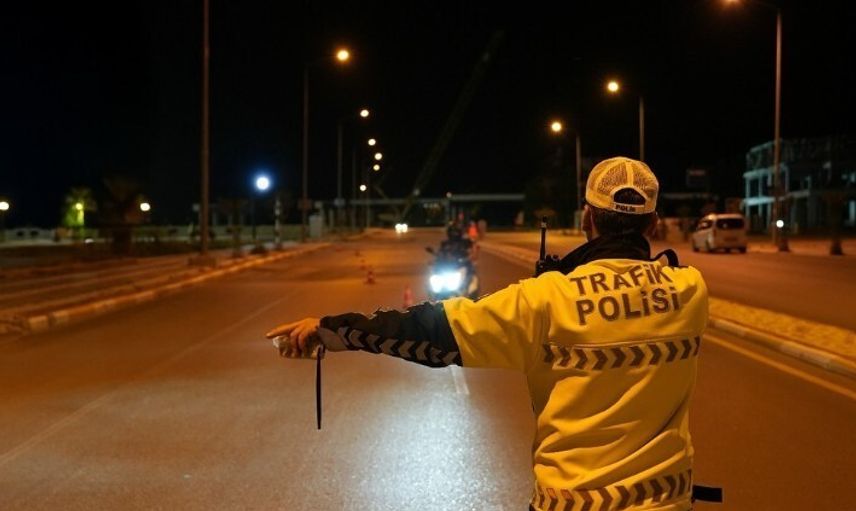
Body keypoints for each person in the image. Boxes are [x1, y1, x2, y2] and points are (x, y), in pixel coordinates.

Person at [267, 156, 709, 511]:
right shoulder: (690, 291)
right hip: (667, 501)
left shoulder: (545, 299)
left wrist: (331, 330)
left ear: (586, 219)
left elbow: (432, 331)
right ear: (653, 224)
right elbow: (633, 286)